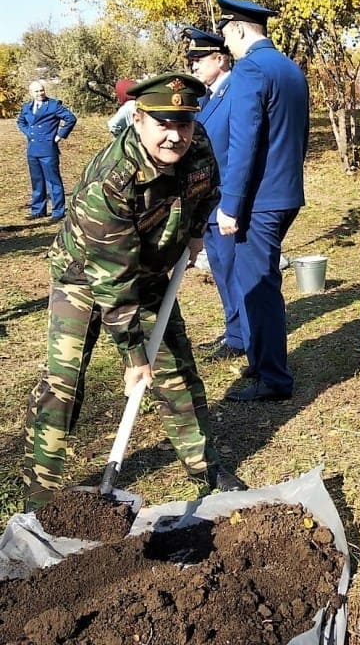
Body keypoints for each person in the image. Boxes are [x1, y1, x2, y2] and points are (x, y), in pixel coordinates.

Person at [23, 72, 247, 511]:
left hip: (145, 272)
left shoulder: (196, 142)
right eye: (163, 124)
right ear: (138, 120)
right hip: (84, 277)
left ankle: (205, 466)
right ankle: (41, 493)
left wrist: (197, 232)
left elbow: (206, 189)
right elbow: (113, 282)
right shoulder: (111, 182)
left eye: (182, 123)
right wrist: (133, 358)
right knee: (63, 381)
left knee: (176, 371)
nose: (175, 135)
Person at [212, 0, 310, 403]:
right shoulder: (289, 68)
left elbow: (245, 141)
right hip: (285, 193)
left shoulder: (251, 69)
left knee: (258, 286)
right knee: (259, 279)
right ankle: (261, 359)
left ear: (237, 29)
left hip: (258, 200)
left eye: (227, 37)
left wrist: (230, 204)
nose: (226, 47)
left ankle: (272, 377)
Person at [182, 26, 243, 359]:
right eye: (191, 60)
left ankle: (241, 336)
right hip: (208, 199)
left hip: (226, 198)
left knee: (234, 268)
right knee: (220, 268)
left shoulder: (235, 91)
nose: (193, 66)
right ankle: (234, 330)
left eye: (199, 59)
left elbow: (238, 149)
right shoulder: (206, 97)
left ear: (219, 58)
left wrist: (232, 201)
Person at [16, 81, 77, 222]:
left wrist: (59, 136)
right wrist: (29, 133)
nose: (40, 93)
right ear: (31, 93)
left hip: (48, 149)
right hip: (32, 149)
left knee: (53, 181)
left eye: (41, 90)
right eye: (36, 91)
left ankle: (58, 211)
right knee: (37, 181)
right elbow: (21, 122)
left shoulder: (53, 105)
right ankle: (38, 210)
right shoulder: (27, 107)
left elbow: (71, 118)